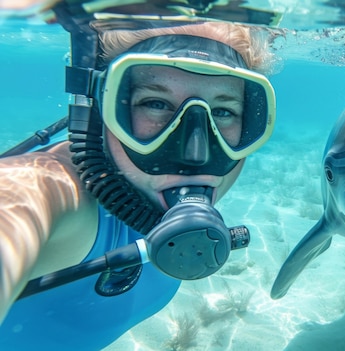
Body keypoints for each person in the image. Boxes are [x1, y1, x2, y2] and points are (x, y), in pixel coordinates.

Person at [0, 7, 276, 350]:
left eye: (223, 111)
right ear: (102, 108)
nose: (194, 153)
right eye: (156, 104)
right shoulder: (51, 189)